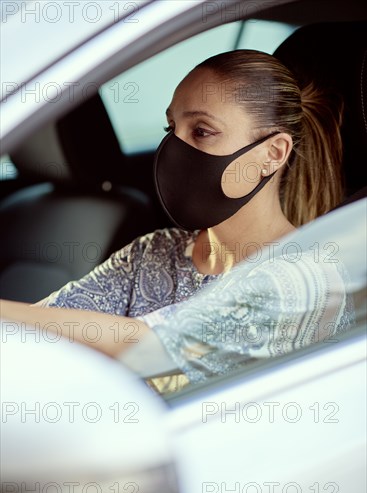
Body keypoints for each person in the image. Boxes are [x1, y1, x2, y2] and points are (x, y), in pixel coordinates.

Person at [0, 50, 351, 393]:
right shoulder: (154, 252)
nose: (172, 149)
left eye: (201, 131)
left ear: (272, 154)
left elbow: (158, 351)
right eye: (171, 128)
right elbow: (39, 328)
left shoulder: (303, 280)